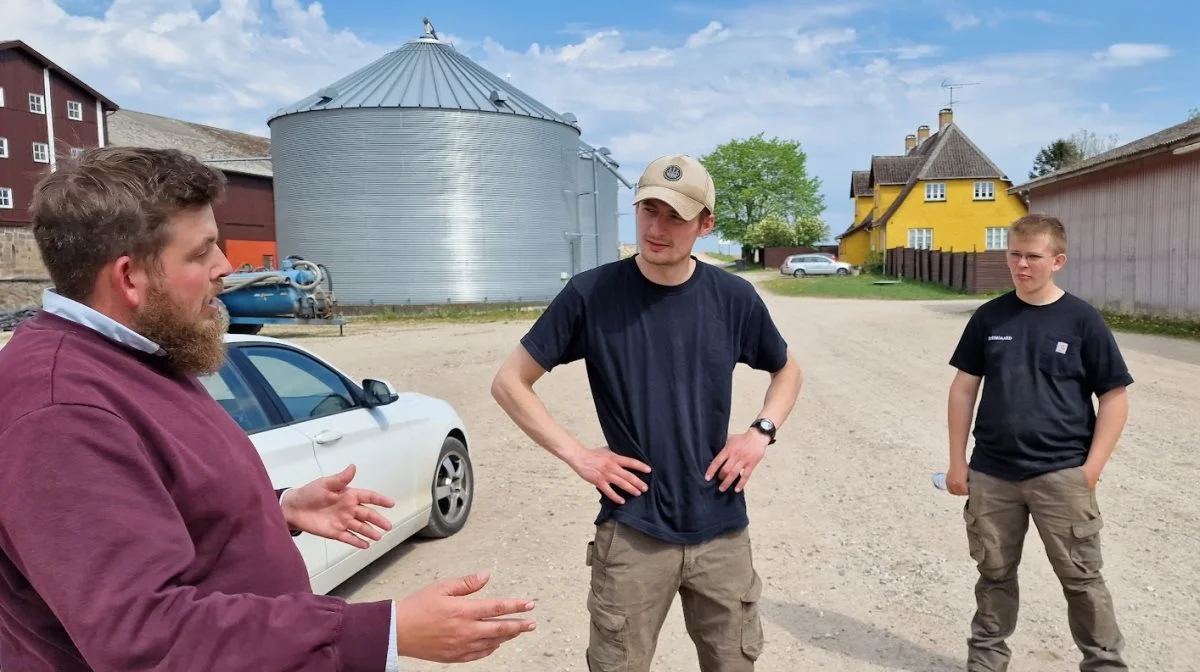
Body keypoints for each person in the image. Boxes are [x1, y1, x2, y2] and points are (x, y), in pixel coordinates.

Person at [0, 147, 536, 671]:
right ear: (129, 278)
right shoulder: (61, 411)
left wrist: (275, 508)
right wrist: (386, 632)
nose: (225, 266)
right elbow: (148, 639)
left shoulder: (136, 355)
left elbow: (156, 501)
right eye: (201, 251)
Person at [490, 154, 804, 671]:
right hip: (633, 533)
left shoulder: (733, 299)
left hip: (722, 529)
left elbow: (787, 371)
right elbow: (509, 383)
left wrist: (759, 433)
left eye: (675, 216)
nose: (657, 229)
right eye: (648, 211)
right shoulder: (591, 295)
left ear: (706, 224)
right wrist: (581, 457)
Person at [945, 213, 1132, 671]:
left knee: (1082, 579)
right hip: (992, 475)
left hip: (1061, 475)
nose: (1021, 265)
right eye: (1014, 254)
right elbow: (963, 388)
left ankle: (1104, 664)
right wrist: (957, 463)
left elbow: (1114, 397)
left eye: (1033, 256)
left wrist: (1091, 470)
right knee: (993, 576)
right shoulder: (990, 316)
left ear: (1058, 261)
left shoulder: (1082, 320)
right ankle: (986, 663)